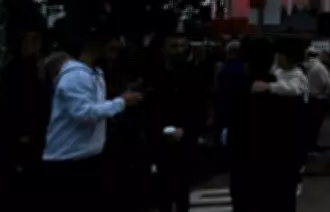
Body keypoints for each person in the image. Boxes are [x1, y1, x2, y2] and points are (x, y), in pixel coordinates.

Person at [41, 22, 143, 212]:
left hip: (88, 159)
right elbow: (84, 113)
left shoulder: (95, 75)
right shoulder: (76, 76)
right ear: (99, 43)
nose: (119, 46)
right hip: (67, 164)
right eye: (114, 41)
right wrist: (121, 103)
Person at [228, 37, 302, 212]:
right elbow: (299, 134)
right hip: (281, 174)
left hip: (247, 174)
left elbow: (234, 136)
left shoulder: (239, 92)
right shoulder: (286, 91)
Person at [144, 30, 207, 212]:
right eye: (174, 46)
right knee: (163, 185)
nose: (179, 50)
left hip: (185, 137)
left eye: (182, 46)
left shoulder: (194, 74)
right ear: (164, 49)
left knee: (182, 186)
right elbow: (150, 107)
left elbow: (200, 107)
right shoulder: (154, 74)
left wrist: (186, 129)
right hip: (159, 136)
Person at [0, 14, 49, 211]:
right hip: (17, 136)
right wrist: (20, 133)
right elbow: (11, 105)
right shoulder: (18, 70)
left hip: (26, 136)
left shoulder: (31, 68)